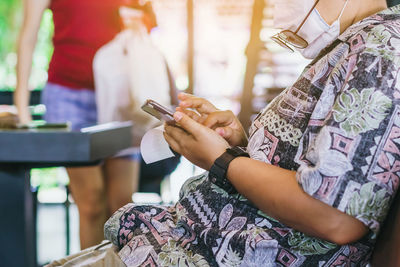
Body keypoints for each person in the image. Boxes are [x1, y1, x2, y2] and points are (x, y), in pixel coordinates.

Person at [100, 0, 400, 265]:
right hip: (177, 242)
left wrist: (222, 159)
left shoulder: (379, 50)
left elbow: (336, 216)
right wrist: (244, 146)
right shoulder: (353, 44)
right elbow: (311, 168)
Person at [15, 0, 157, 249]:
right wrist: (22, 107)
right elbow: (28, 37)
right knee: (91, 202)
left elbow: (148, 24)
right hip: (69, 96)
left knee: (122, 207)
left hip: (121, 98)